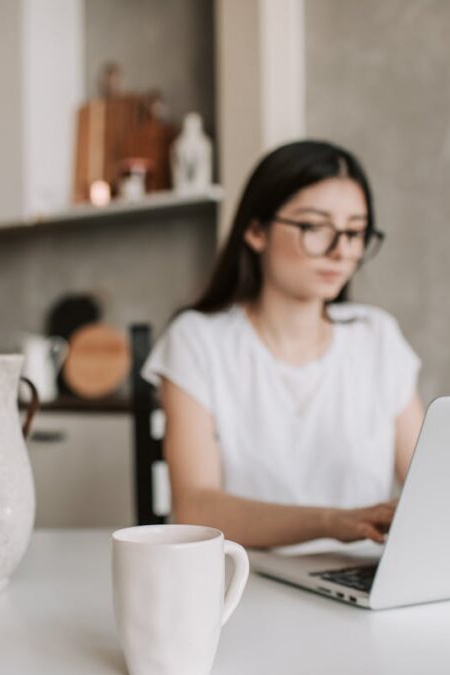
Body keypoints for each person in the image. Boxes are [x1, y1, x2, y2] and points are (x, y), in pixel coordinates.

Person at [141, 140, 425, 548]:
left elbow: (427, 486)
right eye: (315, 228)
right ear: (257, 231)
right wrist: (331, 521)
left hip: (361, 580)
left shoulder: (377, 337)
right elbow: (195, 508)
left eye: (356, 232)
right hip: (244, 583)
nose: (341, 250)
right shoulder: (197, 341)